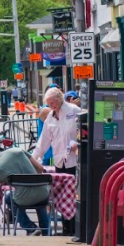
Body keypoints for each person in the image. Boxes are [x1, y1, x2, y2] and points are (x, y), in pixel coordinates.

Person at [33, 87, 79, 236]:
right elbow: (44, 141)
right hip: (60, 160)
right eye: (48, 103)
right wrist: (34, 159)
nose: (51, 105)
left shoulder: (74, 110)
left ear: (60, 98)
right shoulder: (50, 117)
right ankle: (67, 227)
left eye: (53, 102)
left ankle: (75, 227)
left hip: (75, 159)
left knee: (75, 194)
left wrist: (77, 142)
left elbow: (86, 129)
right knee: (62, 195)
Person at [0, 145, 50, 235]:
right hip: (43, 193)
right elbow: (40, 168)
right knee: (39, 197)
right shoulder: (16, 150)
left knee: (8, 197)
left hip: (23, 199)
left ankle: (30, 227)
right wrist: (33, 181)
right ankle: (46, 232)